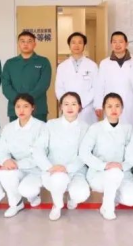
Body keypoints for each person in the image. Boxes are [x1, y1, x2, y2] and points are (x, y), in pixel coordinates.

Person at [79, 93, 133, 220]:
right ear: (104, 109)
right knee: (113, 173)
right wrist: (104, 165)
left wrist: (123, 166)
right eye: (109, 106)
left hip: (122, 173)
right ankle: (108, 208)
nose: (114, 109)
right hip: (99, 174)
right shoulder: (95, 128)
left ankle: (110, 197)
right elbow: (84, 152)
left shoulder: (128, 129)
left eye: (117, 106)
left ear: (122, 109)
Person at [33, 92, 91, 221]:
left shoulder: (86, 128)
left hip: (76, 170)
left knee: (81, 194)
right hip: (53, 169)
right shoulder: (51, 125)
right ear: (61, 107)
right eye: (66, 104)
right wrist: (49, 167)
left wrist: (68, 168)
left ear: (79, 107)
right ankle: (57, 205)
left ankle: (72, 198)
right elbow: (38, 148)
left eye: (74, 104)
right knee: (58, 178)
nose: (70, 107)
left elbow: (85, 153)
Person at [0, 93, 46, 217]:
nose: (21, 110)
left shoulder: (42, 127)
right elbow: (1, 150)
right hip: (16, 167)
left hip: (35, 169)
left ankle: (34, 195)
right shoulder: (8, 128)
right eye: (18, 106)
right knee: (3, 172)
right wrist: (5, 160)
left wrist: (17, 164)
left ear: (32, 107)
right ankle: (16, 203)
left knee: (27, 190)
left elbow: (41, 155)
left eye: (25, 106)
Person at [2, 31, 52, 122]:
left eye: (29, 41)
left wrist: (27, 99)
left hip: (37, 107)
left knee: (39, 130)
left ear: (34, 44)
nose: (26, 44)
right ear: (18, 44)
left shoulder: (43, 61)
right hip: (16, 108)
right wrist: (18, 100)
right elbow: (6, 86)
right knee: (16, 131)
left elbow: (44, 84)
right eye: (22, 41)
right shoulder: (10, 63)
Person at [55, 32, 98, 125]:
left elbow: (95, 87)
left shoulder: (92, 65)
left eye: (80, 42)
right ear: (69, 45)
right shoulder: (62, 67)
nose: (76, 45)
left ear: (84, 45)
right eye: (73, 42)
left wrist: (81, 103)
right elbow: (59, 88)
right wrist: (68, 104)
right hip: (68, 108)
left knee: (87, 131)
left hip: (86, 108)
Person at [95, 32, 133, 125]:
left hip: (131, 104)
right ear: (111, 44)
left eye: (120, 42)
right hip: (111, 104)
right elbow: (100, 86)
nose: (117, 45)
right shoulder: (104, 63)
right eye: (114, 42)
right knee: (112, 128)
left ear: (126, 44)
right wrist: (98, 105)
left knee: (131, 129)